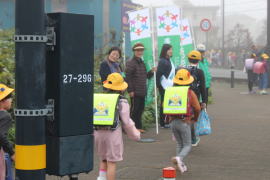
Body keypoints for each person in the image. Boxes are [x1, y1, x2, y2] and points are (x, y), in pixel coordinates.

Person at [94, 73, 141, 180]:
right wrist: (135, 135)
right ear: (121, 88)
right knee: (111, 162)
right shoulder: (121, 101)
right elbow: (127, 122)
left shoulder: (99, 99)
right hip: (112, 134)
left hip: (97, 133)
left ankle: (101, 178)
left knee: (103, 159)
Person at [163, 69, 201, 173]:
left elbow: (164, 105)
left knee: (179, 144)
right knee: (188, 144)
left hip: (172, 122)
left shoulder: (170, 91)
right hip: (184, 121)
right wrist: (195, 118)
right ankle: (179, 159)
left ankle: (180, 165)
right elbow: (197, 108)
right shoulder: (190, 93)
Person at [125, 43, 156, 133]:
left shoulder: (141, 62)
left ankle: (138, 127)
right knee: (134, 111)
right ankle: (130, 129)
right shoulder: (131, 63)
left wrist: (151, 71)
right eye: (137, 50)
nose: (139, 52)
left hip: (142, 91)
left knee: (140, 110)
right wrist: (130, 90)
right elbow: (128, 77)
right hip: (135, 91)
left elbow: (145, 76)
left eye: (141, 50)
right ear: (134, 51)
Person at [186, 50, 206, 147]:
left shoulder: (183, 70)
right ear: (198, 60)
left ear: (188, 59)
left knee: (185, 117)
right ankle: (193, 140)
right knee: (193, 118)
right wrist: (204, 101)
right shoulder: (199, 72)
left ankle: (184, 138)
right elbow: (203, 87)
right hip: (195, 97)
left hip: (183, 97)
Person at [156, 44, 175, 128]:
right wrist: (157, 85)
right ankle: (163, 122)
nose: (171, 51)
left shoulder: (168, 60)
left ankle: (166, 121)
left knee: (167, 103)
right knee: (164, 103)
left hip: (168, 85)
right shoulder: (163, 61)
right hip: (163, 86)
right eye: (169, 49)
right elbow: (158, 74)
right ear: (165, 51)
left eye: (171, 49)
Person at [0, 84, 15, 180]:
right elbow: (1, 135)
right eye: (9, 97)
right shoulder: (5, 116)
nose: (11, 100)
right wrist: (12, 153)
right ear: (2, 101)